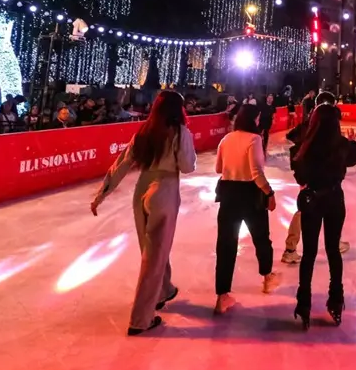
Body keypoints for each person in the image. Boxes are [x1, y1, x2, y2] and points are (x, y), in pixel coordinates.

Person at [90, 90, 196, 335]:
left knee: (153, 250)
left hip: (142, 192)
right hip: (165, 190)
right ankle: (140, 319)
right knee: (154, 256)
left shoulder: (144, 132)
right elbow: (188, 167)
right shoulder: (180, 132)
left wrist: (101, 195)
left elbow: (122, 164)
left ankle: (164, 290)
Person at [291, 103, 356, 329]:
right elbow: (355, 157)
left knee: (309, 253)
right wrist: (351, 141)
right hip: (334, 200)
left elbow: (300, 177)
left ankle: (304, 304)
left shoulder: (305, 145)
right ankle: (336, 301)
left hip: (312, 200)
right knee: (333, 251)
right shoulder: (340, 145)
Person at [213, 105, 281, 314]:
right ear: (253, 119)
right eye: (259, 118)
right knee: (261, 237)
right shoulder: (254, 139)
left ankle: (222, 295)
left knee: (226, 244)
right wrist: (269, 193)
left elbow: (218, 168)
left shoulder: (226, 139)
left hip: (228, 194)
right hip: (250, 195)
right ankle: (267, 277)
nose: (260, 121)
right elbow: (256, 173)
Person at [282, 91, 350, 264]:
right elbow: (293, 136)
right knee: (307, 208)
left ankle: (332, 240)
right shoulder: (316, 125)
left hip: (308, 174)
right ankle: (290, 247)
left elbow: (292, 136)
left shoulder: (313, 123)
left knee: (315, 207)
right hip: (313, 175)